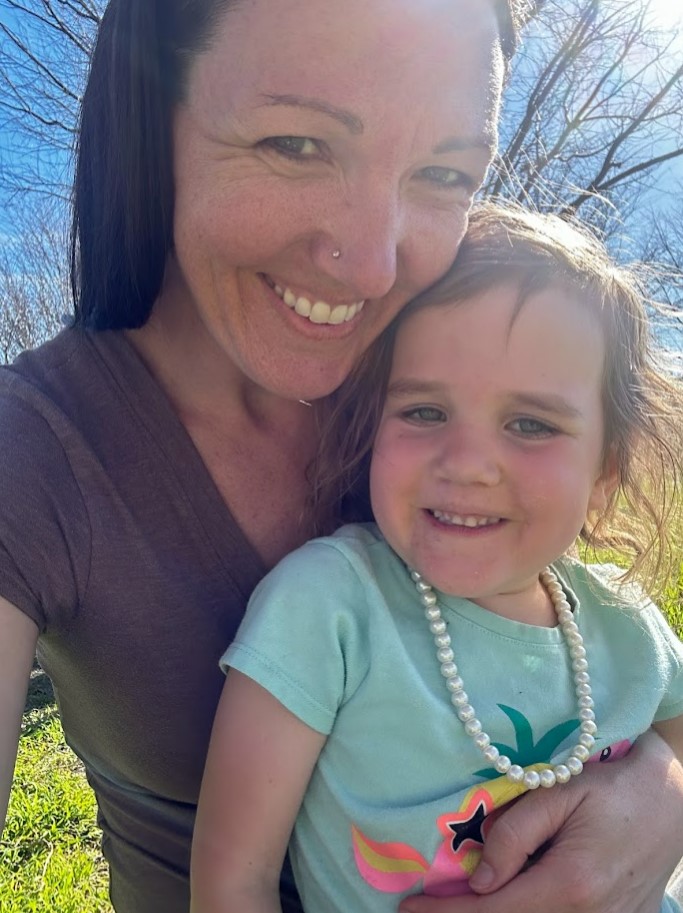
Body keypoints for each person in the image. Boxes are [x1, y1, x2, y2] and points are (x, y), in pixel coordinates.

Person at [0, 0, 682, 911]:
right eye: (295, 144)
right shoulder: (32, 447)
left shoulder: (468, 360)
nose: (372, 267)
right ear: (150, 117)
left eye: (443, 171)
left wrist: (658, 798)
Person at [191, 202, 683, 913]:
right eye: (424, 411)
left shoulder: (627, 622)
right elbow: (232, 883)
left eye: (530, 423)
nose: (467, 463)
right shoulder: (330, 607)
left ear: (604, 472)